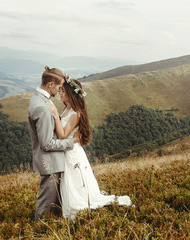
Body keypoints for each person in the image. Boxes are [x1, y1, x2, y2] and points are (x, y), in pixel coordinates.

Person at [46, 75, 132, 220]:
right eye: (60, 91)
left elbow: (63, 135)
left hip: (72, 152)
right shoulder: (67, 110)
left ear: (71, 94)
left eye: (63, 91)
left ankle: (77, 207)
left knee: (74, 181)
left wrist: (55, 115)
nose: (60, 94)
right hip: (68, 150)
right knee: (70, 182)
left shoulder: (75, 113)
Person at [28, 66, 76, 221]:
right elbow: (47, 144)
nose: (60, 90)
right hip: (50, 163)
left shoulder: (38, 99)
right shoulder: (42, 107)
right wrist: (70, 143)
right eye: (59, 87)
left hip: (52, 162)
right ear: (50, 85)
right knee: (46, 203)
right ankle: (39, 229)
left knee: (54, 203)